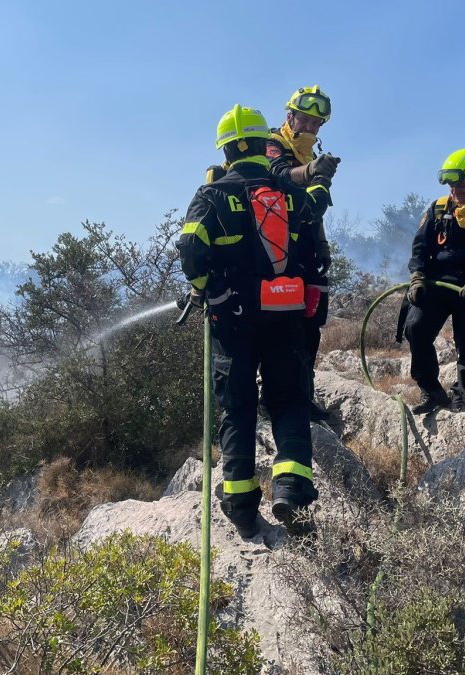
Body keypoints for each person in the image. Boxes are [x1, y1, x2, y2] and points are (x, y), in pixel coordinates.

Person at [177, 104, 327, 538]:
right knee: (289, 401)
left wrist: (205, 289)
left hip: (233, 321)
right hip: (286, 316)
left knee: (238, 408)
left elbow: (191, 251)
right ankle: (292, 491)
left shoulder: (212, 194)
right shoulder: (288, 193)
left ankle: (241, 505)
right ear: (263, 145)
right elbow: (313, 232)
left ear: (227, 149)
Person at [404, 149, 465, 413]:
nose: (455, 191)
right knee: (415, 328)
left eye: (461, 185)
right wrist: (417, 277)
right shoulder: (437, 210)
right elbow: (419, 250)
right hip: (438, 284)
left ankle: (463, 392)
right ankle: (431, 390)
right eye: (451, 185)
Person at [265, 85, 339, 420]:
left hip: (307, 250)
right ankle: (274, 399)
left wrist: (322, 244)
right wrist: (312, 173)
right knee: (283, 326)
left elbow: (314, 210)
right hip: (278, 250)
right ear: (290, 116)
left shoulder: (309, 156)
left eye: (316, 123)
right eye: (305, 120)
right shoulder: (273, 143)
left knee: (311, 324)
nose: (310, 127)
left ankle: (303, 396)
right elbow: (280, 176)